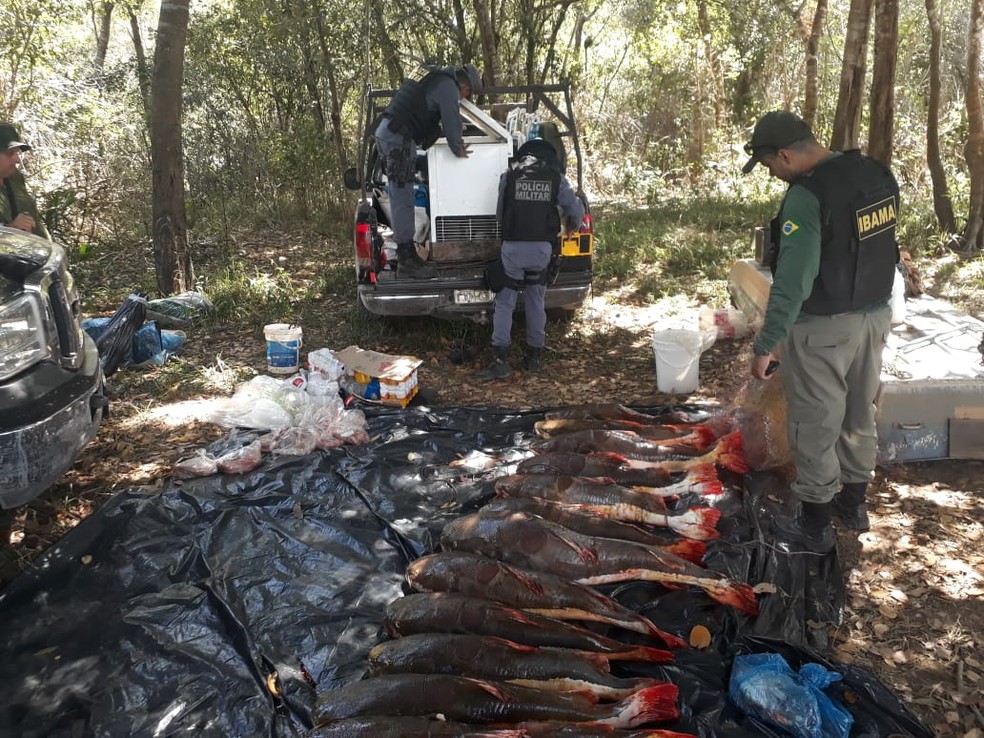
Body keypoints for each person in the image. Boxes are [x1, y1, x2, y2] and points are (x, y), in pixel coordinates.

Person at [742, 110, 899, 553]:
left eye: (771, 166)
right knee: (858, 413)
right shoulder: (875, 173)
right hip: (874, 317)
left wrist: (766, 342)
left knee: (815, 422)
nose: (774, 175)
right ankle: (854, 505)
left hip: (824, 327)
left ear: (787, 154)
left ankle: (814, 524)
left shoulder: (806, 197)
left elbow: (794, 282)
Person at [477, 138, 585, 380]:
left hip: (513, 248)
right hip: (541, 250)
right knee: (536, 298)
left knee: (505, 301)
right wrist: (572, 227)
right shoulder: (557, 179)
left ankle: (500, 359)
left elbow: (499, 214)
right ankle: (534, 356)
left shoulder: (509, 177)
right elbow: (575, 211)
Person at [374, 63, 483, 278]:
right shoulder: (448, 88)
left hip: (388, 132)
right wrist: (459, 148)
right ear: (466, 88)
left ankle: (408, 255)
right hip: (399, 139)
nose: (463, 99)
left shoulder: (434, 76)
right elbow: (453, 125)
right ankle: (407, 261)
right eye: (466, 96)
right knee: (403, 196)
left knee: (400, 194)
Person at [0, 123, 48, 238]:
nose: (17, 160)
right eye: (10, 153)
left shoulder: (15, 178)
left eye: (17, 152)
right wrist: (10, 231)